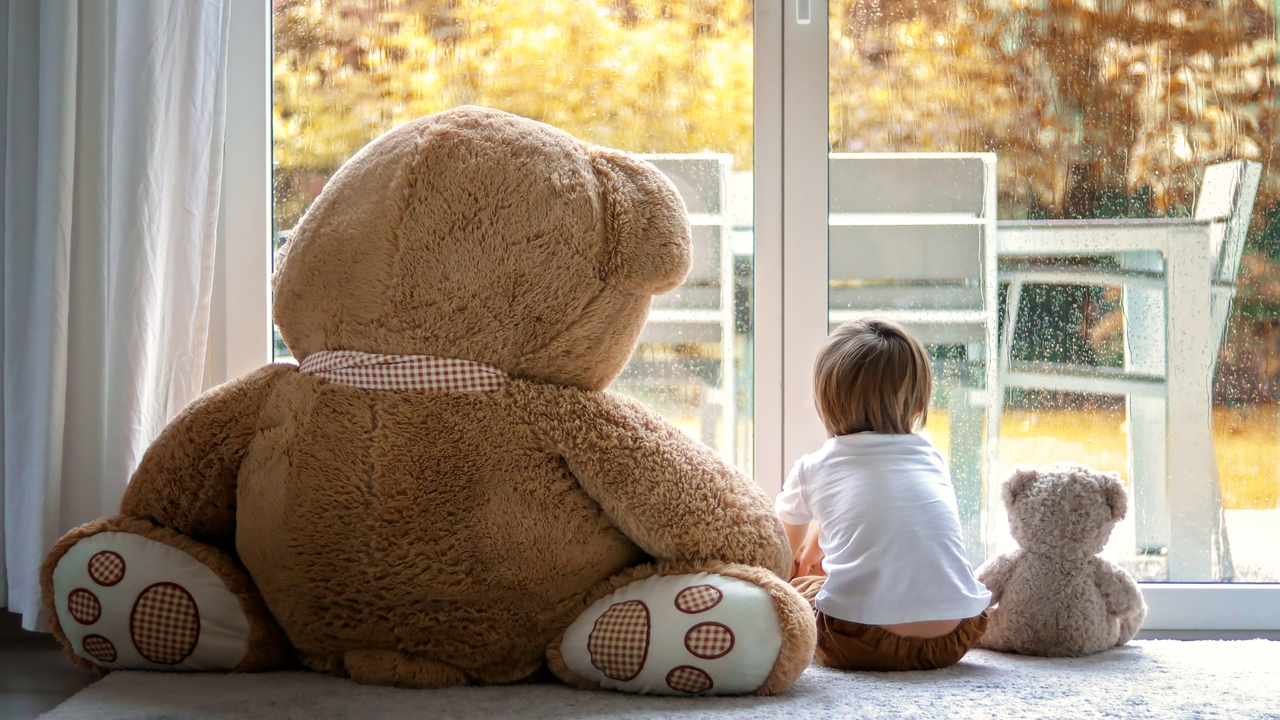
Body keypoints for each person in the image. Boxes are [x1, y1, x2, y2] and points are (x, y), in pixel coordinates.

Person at [777, 318, 991, 671]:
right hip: (956, 632)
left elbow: (781, 556)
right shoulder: (930, 456)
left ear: (821, 402)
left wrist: (802, 570)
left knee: (791, 595)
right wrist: (819, 550)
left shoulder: (812, 468)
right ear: (918, 408)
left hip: (859, 638)